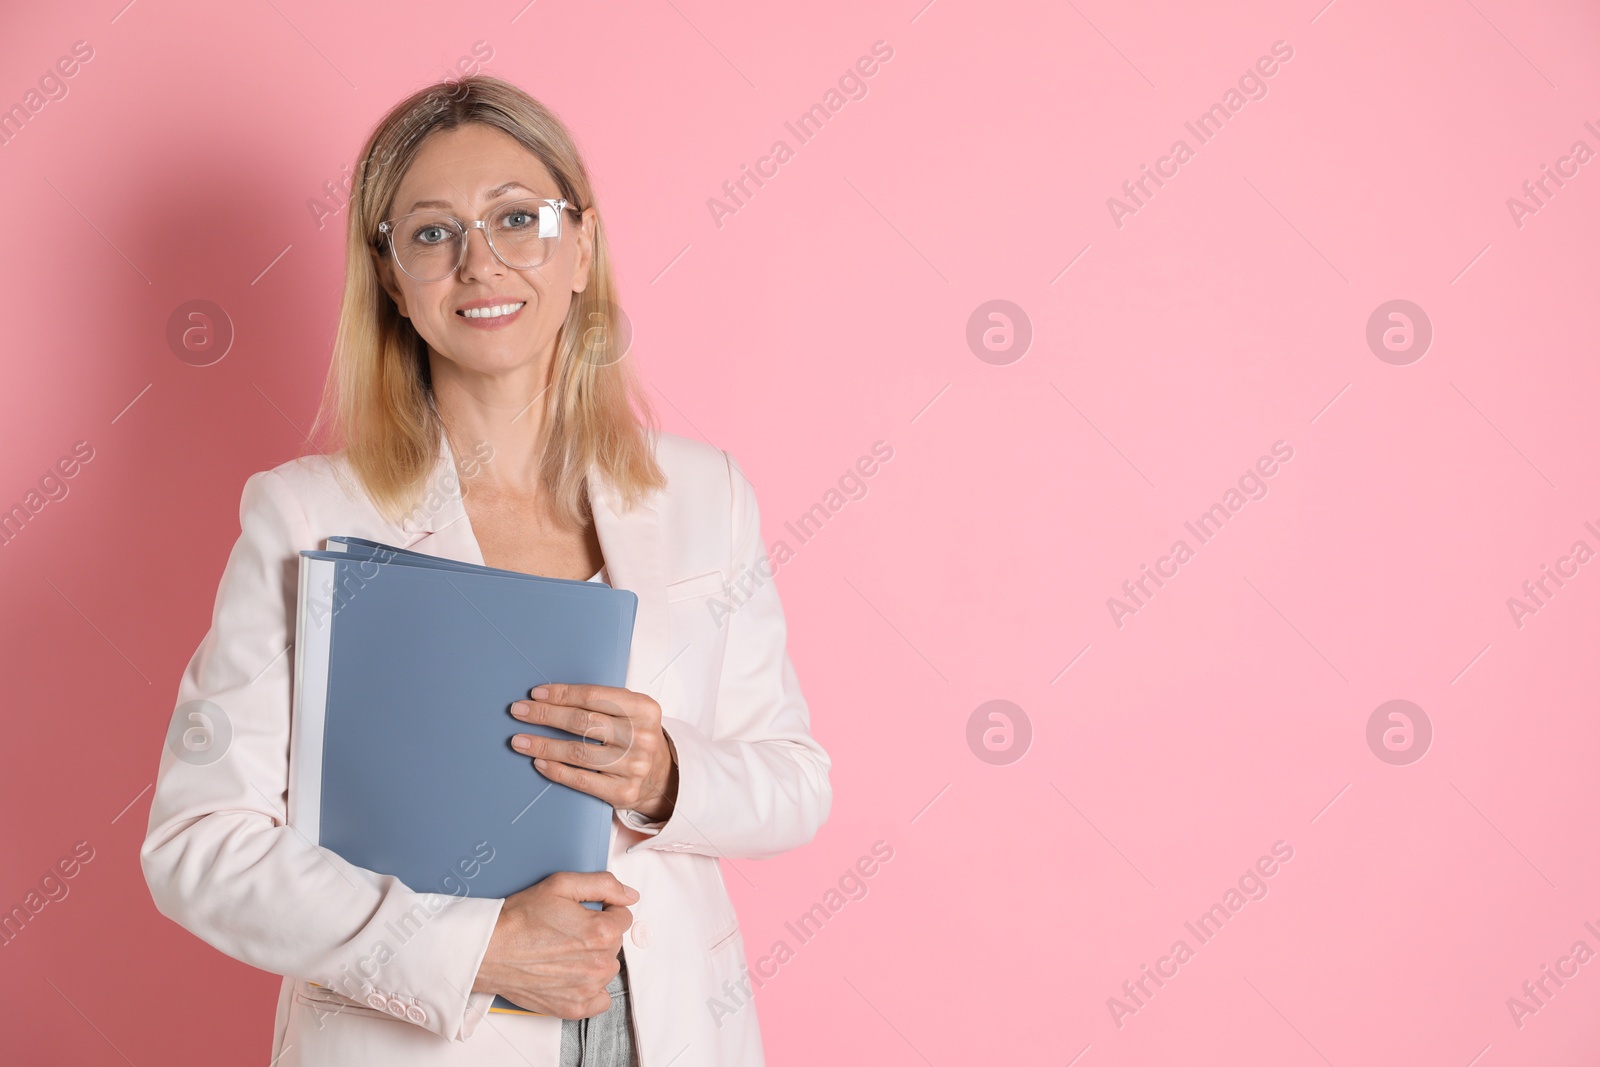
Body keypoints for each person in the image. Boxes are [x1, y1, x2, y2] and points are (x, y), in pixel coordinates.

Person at [140, 73, 831, 1066]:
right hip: (416, 1035)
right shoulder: (305, 514)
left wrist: (667, 773)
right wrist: (474, 950)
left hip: (668, 1031)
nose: (481, 262)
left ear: (581, 246)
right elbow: (198, 844)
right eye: (431, 233)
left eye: (518, 218)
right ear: (389, 275)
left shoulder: (704, 495)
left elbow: (794, 780)